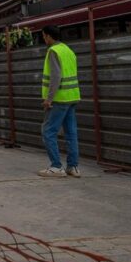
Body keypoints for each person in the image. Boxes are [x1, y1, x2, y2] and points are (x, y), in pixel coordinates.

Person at [39, 25, 81, 178]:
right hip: (72, 97)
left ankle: (56, 166)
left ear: (49, 36)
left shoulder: (53, 51)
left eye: (44, 36)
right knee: (71, 133)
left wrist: (49, 99)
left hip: (59, 99)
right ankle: (73, 166)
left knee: (48, 131)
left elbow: (56, 77)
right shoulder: (68, 50)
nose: (44, 39)